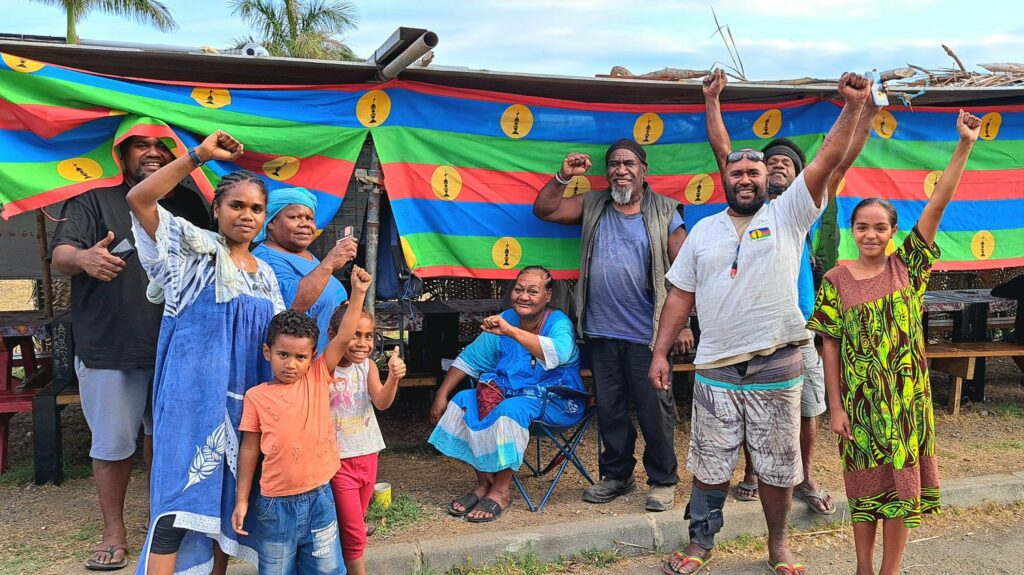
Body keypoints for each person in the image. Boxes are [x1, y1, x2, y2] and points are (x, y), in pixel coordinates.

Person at [650, 73, 873, 575]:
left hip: (777, 366)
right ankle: (700, 544)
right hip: (715, 370)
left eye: (755, 169)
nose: (746, 176)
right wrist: (660, 353)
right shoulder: (703, 231)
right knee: (709, 466)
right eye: (737, 171)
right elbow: (679, 295)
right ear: (724, 178)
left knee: (777, 468)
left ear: (768, 178)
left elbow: (828, 158)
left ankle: (778, 546)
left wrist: (852, 106)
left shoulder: (789, 213)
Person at [808, 110, 982, 575]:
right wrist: (836, 406)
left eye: (880, 227)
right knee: (865, 492)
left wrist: (964, 144)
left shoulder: (907, 268)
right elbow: (828, 346)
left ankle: (890, 571)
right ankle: (863, 567)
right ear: (852, 230)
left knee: (901, 495)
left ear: (892, 232)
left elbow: (939, 203)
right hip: (860, 406)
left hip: (907, 404)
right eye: (862, 227)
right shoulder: (835, 280)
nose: (870, 234)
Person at [702, 68, 879, 514]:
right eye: (772, 160)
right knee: (747, 408)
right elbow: (723, 151)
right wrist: (712, 101)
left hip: (800, 327)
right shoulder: (750, 207)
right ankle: (753, 473)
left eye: (788, 162)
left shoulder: (804, 206)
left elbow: (841, 158)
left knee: (805, 408)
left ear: (801, 174)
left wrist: (865, 111)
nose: (779, 163)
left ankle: (804, 477)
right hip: (749, 334)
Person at [127, 131, 285, 575]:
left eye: (257, 209)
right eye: (237, 205)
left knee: (226, 508)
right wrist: (198, 156)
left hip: (244, 405)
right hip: (191, 402)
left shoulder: (267, 275)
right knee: (179, 505)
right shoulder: (191, 253)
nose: (247, 215)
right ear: (216, 209)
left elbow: (276, 345)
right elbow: (141, 200)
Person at [49, 135, 207, 571]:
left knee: (167, 439)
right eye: (140, 144)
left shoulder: (192, 205)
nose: (152, 151)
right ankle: (113, 533)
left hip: (177, 346)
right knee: (114, 445)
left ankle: (162, 521)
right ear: (121, 154)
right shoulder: (94, 200)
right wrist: (83, 259)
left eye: (162, 144)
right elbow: (60, 253)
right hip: (110, 346)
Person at [532, 139, 690, 512]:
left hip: (650, 334)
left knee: (654, 409)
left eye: (629, 163)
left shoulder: (667, 210)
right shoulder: (593, 204)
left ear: (643, 170)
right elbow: (545, 209)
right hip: (601, 330)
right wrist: (563, 176)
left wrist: (683, 325)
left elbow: (686, 276)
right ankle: (617, 476)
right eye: (615, 164)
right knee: (612, 409)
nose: (622, 169)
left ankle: (663, 479)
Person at [231, 266, 371, 575]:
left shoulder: (319, 376)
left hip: (321, 497)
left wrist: (359, 292)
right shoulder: (256, 396)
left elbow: (345, 334)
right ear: (267, 352)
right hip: (274, 505)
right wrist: (242, 500)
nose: (292, 364)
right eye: (283, 355)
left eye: (301, 357)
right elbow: (249, 449)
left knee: (327, 570)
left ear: (312, 357)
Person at [428, 266, 584, 522]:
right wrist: (442, 394)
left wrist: (511, 331)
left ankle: (501, 491)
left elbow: (558, 354)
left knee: (508, 409)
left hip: (555, 401)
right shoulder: (506, 318)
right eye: (519, 289)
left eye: (533, 291)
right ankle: (484, 483)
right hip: (511, 397)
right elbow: (470, 359)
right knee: (465, 401)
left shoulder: (557, 323)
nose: (523, 296)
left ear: (547, 296)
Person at [326, 301, 406, 575]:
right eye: (354, 334)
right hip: (338, 461)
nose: (362, 343)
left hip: (368, 454)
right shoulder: (325, 368)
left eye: (368, 335)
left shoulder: (368, 366)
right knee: (354, 532)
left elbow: (381, 402)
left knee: (356, 523)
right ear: (333, 334)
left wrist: (393, 379)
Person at [252, 187, 357, 350]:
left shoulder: (306, 255)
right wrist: (329, 263)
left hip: (328, 362)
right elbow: (291, 307)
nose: (305, 224)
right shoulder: (267, 258)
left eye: (310, 218)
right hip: (301, 366)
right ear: (271, 222)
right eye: (294, 217)